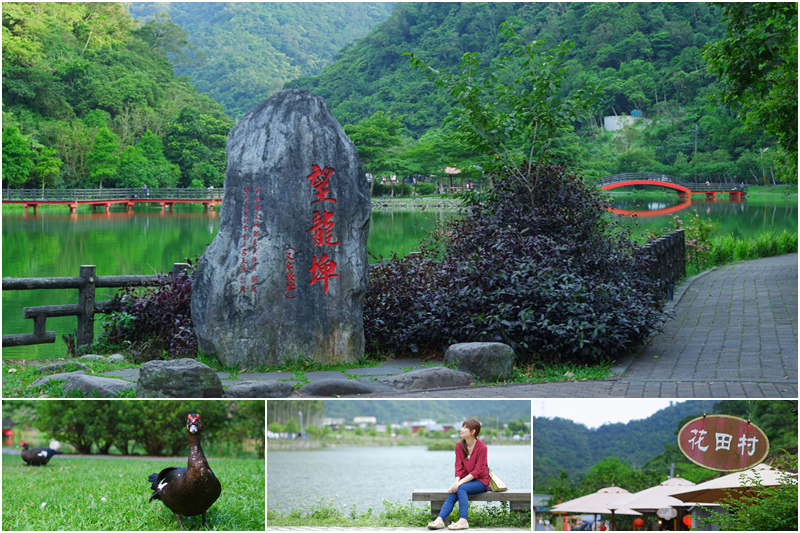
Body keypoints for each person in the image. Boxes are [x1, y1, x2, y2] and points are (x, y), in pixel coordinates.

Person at [427, 417, 489, 531]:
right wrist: (456, 483)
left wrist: (459, 484)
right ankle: (440, 520)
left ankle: (463, 520)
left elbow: (477, 471)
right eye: (462, 427)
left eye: (465, 428)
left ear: (473, 431)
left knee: (461, 488)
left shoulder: (482, 448)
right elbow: (458, 468)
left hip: (481, 481)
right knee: (456, 490)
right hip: (466, 480)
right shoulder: (459, 446)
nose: (461, 430)